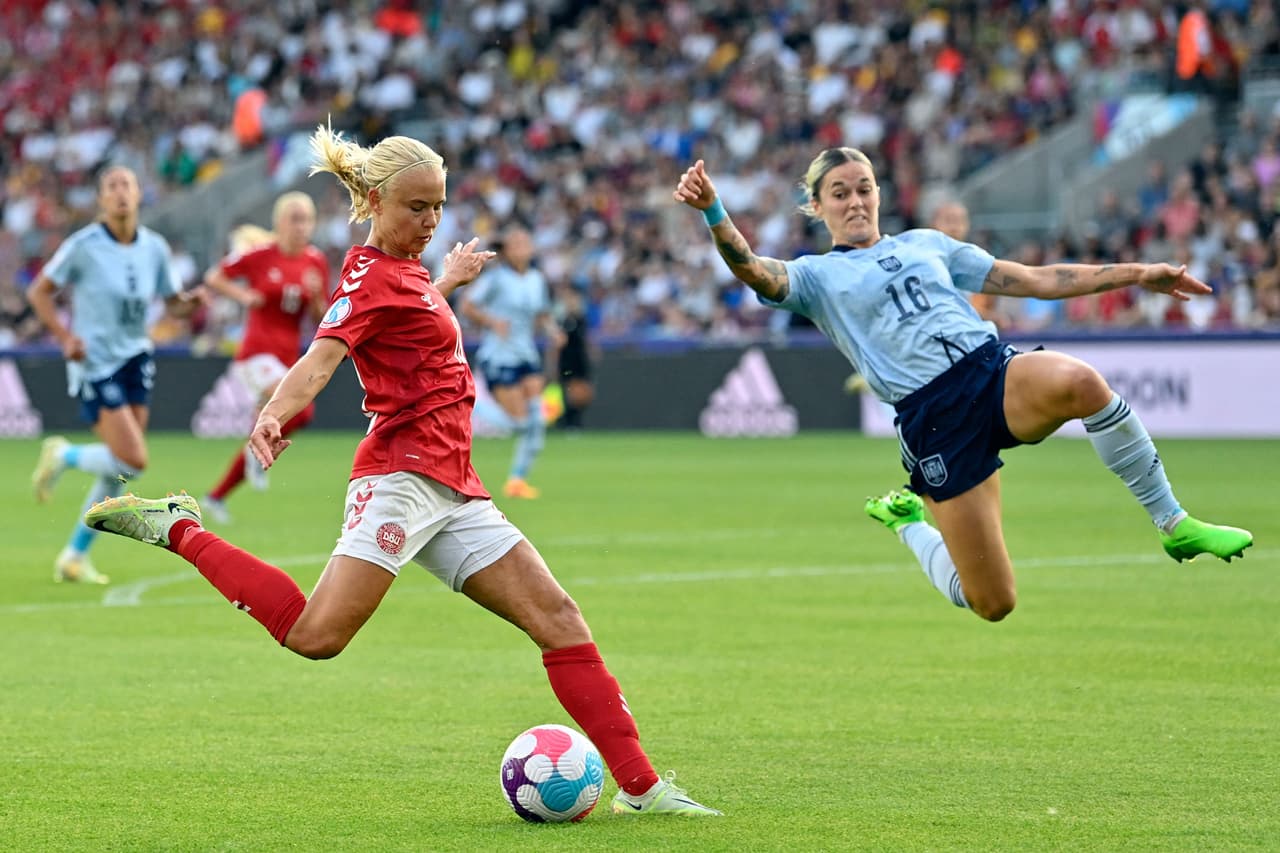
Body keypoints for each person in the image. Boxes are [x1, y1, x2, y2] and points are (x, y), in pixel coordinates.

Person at [85, 126, 720, 817]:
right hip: (400, 480)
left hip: (456, 486)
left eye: (438, 205)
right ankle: (180, 528)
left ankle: (642, 789)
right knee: (317, 636)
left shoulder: (411, 271)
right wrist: (272, 412)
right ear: (374, 202)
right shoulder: (364, 277)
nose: (430, 220)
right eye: (417, 207)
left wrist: (446, 281)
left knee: (560, 619)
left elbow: (409, 316)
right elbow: (322, 358)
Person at [673, 150, 1253, 623]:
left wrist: (1140, 273)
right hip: (935, 423)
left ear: (879, 194)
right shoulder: (816, 276)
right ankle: (907, 523)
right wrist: (713, 210)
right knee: (993, 602)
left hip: (990, 372)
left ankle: (1174, 524)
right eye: (840, 193)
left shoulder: (926, 244)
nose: (855, 201)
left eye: (864, 188)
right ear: (817, 206)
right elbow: (753, 269)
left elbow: (1036, 279)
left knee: (1080, 382)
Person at [27, 165, 198, 584]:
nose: (120, 192)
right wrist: (65, 336)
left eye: (127, 185)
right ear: (101, 199)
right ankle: (63, 455)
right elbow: (39, 291)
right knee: (133, 459)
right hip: (96, 362)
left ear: (138, 194)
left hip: (136, 358)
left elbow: (172, 301)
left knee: (120, 470)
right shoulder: (84, 245)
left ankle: (73, 556)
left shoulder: (154, 247)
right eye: (111, 186)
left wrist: (188, 304)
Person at [200, 193, 331, 524]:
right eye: (295, 219)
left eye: (307, 220)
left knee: (298, 414)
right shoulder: (260, 256)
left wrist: (317, 294)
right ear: (279, 223)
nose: (301, 227)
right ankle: (254, 454)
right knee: (293, 405)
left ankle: (217, 495)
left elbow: (322, 318)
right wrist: (244, 295)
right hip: (256, 353)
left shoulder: (315, 261)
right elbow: (214, 277)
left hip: (288, 357)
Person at [460, 224, 565, 499]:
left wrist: (553, 332)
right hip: (499, 355)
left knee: (536, 421)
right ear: (506, 251)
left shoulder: (536, 279)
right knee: (517, 424)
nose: (522, 248)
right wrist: (492, 322)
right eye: (516, 244)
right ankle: (470, 405)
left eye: (525, 243)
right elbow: (468, 305)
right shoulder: (496, 279)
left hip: (526, 354)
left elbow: (541, 314)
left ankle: (517, 480)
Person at [547, 282, 594, 431]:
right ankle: (570, 423)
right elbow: (557, 344)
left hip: (580, 360)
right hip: (567, 362)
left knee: (584, 393)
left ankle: (573, 421)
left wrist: (591, 352)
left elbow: (586, 339)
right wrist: (553, 363)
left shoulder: (581, 320)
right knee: (570, 392)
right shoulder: (563, 321)